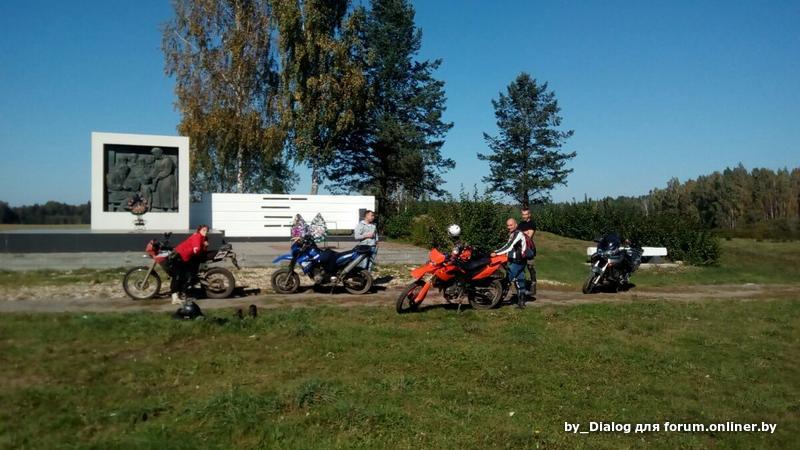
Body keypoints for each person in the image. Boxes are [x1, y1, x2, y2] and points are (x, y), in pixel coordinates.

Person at [491, 218, 529, 309]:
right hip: (518, 261)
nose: (509, 227)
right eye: (508, 225)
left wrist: (496, 253)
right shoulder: (513, 234)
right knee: (520, 281)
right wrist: (497, 251)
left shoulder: (518, 234)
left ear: (516, 225)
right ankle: (521, 303)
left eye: (511, 225)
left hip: (518, 262)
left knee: (506, 281)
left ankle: (497, 302)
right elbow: (507, 245)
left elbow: (509, 246)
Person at [170, 224, 210, 304]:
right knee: (178, 276)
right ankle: (175, 298)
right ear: (199, 230)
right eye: (204, 230)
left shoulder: (202, 237)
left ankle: (181, 293)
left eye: (207, 231)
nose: (205, 232)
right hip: (179, 255)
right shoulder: (197, 237)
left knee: (185, 275)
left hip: (185, 257)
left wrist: (204, 245)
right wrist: (203, 246)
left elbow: (201, 250)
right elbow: (196, 249)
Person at [517, 206, 537, 298]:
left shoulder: (532, 224)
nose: (524, 216)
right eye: (523, 214)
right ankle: (522, 287)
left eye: (526, 214)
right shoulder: (520, 224)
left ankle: (533, 283)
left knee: (530, 266)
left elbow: (529, 236)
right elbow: (516, 235)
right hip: (521, 249)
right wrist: (523, 233)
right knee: (521, 268)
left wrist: (521, 234)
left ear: (529, 215)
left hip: (529, 249)